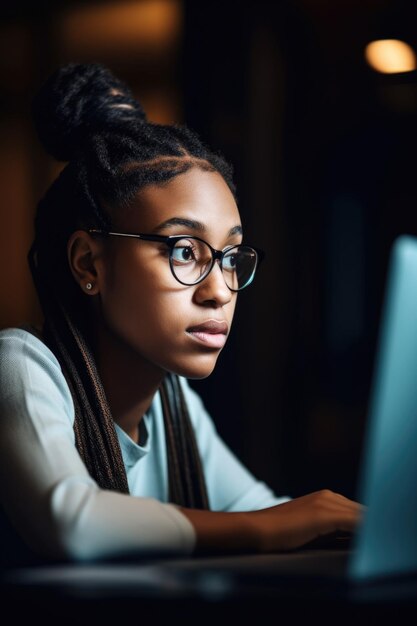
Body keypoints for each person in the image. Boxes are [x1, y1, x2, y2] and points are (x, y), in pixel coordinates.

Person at [0, 63, 361, 567]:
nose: (220, 290)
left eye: (231, 257)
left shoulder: (173, 406)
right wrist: (270, 525)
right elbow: (72, 522)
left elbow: (262, 510)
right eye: (185, 251)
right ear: (89, 263)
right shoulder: (19, 367)